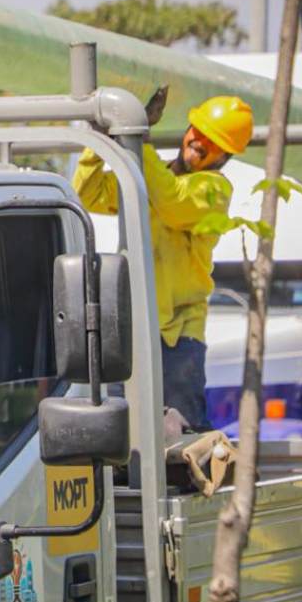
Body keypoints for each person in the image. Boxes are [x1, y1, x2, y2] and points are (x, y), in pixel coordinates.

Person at [72, 88, 253, 429]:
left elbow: (171, 201)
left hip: (178, 337)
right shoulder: (153, 174)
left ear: (226, 156)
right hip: (131, 327)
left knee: (176, 435)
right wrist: (98, 142)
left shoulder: (214, 190)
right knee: (120, 432)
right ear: (188, 129)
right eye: (199, 131)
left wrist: (138, 138)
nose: (200, 142)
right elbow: (86, 194)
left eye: (214, 142)